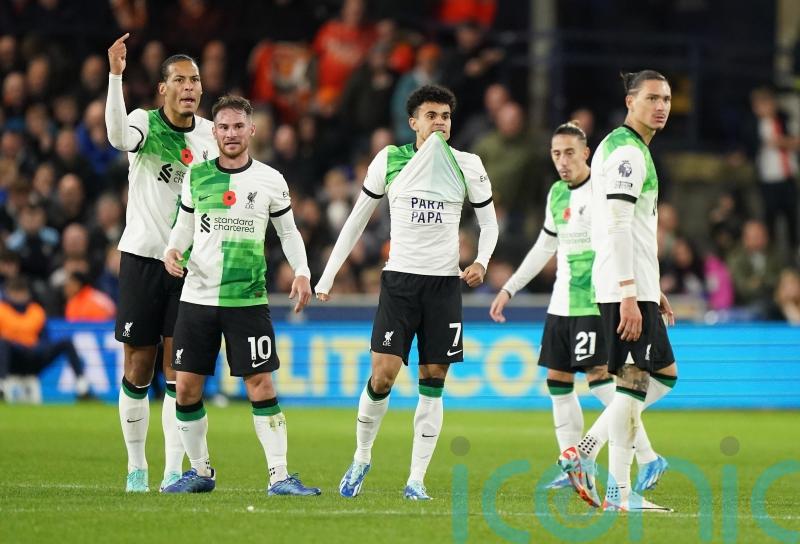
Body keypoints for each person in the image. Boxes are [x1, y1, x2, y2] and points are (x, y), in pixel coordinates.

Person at [315, 84, 499, 500]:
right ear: (412, 122)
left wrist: (482, 261)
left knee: (433, 379)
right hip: (399, 282)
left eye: (446, 116)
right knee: (383, 375)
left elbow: (490, 224)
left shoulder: (468, 165)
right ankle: (362, 457)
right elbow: (357, 221)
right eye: (431, 115)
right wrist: (327, 277)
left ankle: (415, 480)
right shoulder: (390, 160)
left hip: (443, 286)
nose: (440, 122)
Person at [490, 120, 666, 494]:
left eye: (570, 152)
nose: (563, 161)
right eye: (556, 154)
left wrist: (644, 285)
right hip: (561, 303)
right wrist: (510, 287)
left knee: (606, 379)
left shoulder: (602, 189)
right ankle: (576, 464)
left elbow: (624, 238)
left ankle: (643, 455)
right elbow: (544, 246)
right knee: (558, 380)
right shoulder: (556, 193)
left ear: (587, 153)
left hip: (595, 299)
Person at [161, 95, 320, 496]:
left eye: (238, 126)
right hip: (197, 298)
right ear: (213, 132)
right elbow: (183, 228)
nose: (230, 133)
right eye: (223, 127)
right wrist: (171, 250)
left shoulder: (270, 179)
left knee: (261, 386)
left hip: (247, 300)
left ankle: (280, 476)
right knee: (185, 388)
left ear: (252, 130)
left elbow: (289, 233)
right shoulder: (196, 176)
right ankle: (200, 471)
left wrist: (302, 272)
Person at [559, 70, 679, 513]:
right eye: (652, 98)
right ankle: (591, 460)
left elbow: (629, 228)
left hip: (632, 282)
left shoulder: (617, 146)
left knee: (658, 376)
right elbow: (618, 223)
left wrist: (652, 285)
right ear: (631, 102)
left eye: (666, 98)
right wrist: (631, 291)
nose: (661, 106)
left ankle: (610, 483)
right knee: (633, 386)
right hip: (623, 286)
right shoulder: (628, 152)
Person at [105, 33, 218, 493]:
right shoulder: (144, 124)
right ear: (163, 89)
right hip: (143, 258)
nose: (189, 87)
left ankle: (174, 469)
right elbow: (115, 137)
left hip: (190, 267)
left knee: (179, 370)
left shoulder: (212, 135)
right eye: (180, 80)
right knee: (138, 367)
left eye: (195, 80)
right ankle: (137, 466)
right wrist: (116, 75)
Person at [0, 277, 91, 400]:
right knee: (3, 344)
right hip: (12, 358)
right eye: (15, 293)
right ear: (8, 293)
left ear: (27, 294)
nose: (19, 297)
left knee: (66, 342)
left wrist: (35, 349)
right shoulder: (2, 310)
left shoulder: (36, 311)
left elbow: (45, 339)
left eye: (21, 292)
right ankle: (2, 385)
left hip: (33, 358)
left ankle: (82, 387)